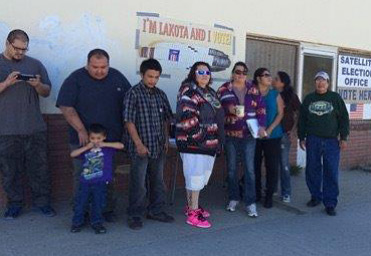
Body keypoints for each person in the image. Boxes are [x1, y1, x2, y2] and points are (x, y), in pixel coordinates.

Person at [56, 48, 131, 222]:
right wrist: (81, 129)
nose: (99, 70)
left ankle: (107, 210)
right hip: (83, 142)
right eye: (95, 66)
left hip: (109, 142)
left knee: (107, 176)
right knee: (82, 177)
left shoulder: (117, 77)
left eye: (103, 67)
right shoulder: (75, 79)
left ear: (108, 65)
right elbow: (66, 106)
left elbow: (130, 102)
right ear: (87, 64)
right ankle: (80, 212)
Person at [0, 29, 55, 219]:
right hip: (6, 130)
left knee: (39, 168)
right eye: (17, 48)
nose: (20, 53)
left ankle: (43, 203)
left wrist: (37, 85)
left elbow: (47, 91)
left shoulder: (35, 64)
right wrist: (6, 83)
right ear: (7, 43)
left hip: (34, 127)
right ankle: (14, 205)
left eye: (24, 49)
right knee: (10, 171)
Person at [124, 58, 174, 230]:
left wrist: (166, 139)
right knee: (138, 183)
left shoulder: (161, 94)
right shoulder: (133, 93)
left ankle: (156, 210)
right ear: (142, 74)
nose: (153, 80)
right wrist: (138, 144)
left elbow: (166, 119)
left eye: (156, 77)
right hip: (140, 147)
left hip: (158, 145)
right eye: (150, 76)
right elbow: (128, 121)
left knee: (158, 181)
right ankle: (135, 215)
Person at [176, 61, 224, 228]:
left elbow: (217, 113)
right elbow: (187, 118)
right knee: (195, 177)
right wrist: (201, 137)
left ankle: (191, 207)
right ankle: (193, 214)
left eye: (207, 72)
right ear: (193, 74)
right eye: (200, 72)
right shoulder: (188, 91)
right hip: (194, 144)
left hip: (207, 144)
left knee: (197, 177)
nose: (204, 75)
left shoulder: (209, 92)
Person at [217, 62, 266, 217]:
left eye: (244, 72)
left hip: (249, 135)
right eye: (238, 72)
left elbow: (261, 110)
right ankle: (234, 198)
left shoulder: (253, 89)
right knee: (231, 170)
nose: (241, 75)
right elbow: (216, 109)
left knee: (249, 170)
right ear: (233, 73)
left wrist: (262, 126)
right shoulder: (223, 89)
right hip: (230, 136)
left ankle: (250, 203)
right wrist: (227, 109)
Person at [298, 71, 349, 216]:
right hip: (313, 139)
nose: (320, 83)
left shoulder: (335, 98)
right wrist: (302, 137)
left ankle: (330, 202)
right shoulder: (309, 99)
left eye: (323, 80)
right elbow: (302, 119)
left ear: (328, 83)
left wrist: (344, 137)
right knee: (312, 169)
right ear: (315, 82)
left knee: (331, 171)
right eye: (318, 80)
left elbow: (344, 119)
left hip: (331, 141)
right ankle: (315, 196)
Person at [70, 124, 123, 234]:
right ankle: (77, 223)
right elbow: (73, 154)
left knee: (98, 203)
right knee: (81, 202)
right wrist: (86, 147)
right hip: (86, 182)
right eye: (93, 138)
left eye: (98, 138)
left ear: (104, 137)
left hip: (100, 182)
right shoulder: (87, 149)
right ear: (89, 138)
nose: (96, 141)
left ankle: (97, 223)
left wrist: (104, 144)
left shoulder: (107, 149)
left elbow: (120, 146)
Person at [254, 68, 284, 208]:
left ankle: (269, 196)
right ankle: (256, 193)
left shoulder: (275, 94)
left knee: (271, 166)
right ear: (258, 78)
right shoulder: (252, 93)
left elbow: (280, 113)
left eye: (269, 74)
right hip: (254, 136)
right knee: (254, 166)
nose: (269, 77)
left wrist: (270, 129)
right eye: (266, 75)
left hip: (273, 135)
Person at [272, 71, 301, 203]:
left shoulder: (291, 97)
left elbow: (300, 113)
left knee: (284, 164)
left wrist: (293, 131)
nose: (273, 80)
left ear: (283, 83)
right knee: (272, 163)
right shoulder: (271, 94)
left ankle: (286, 192)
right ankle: (273, 188)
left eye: (276, 79)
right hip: (271, 134)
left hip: (284, 134)